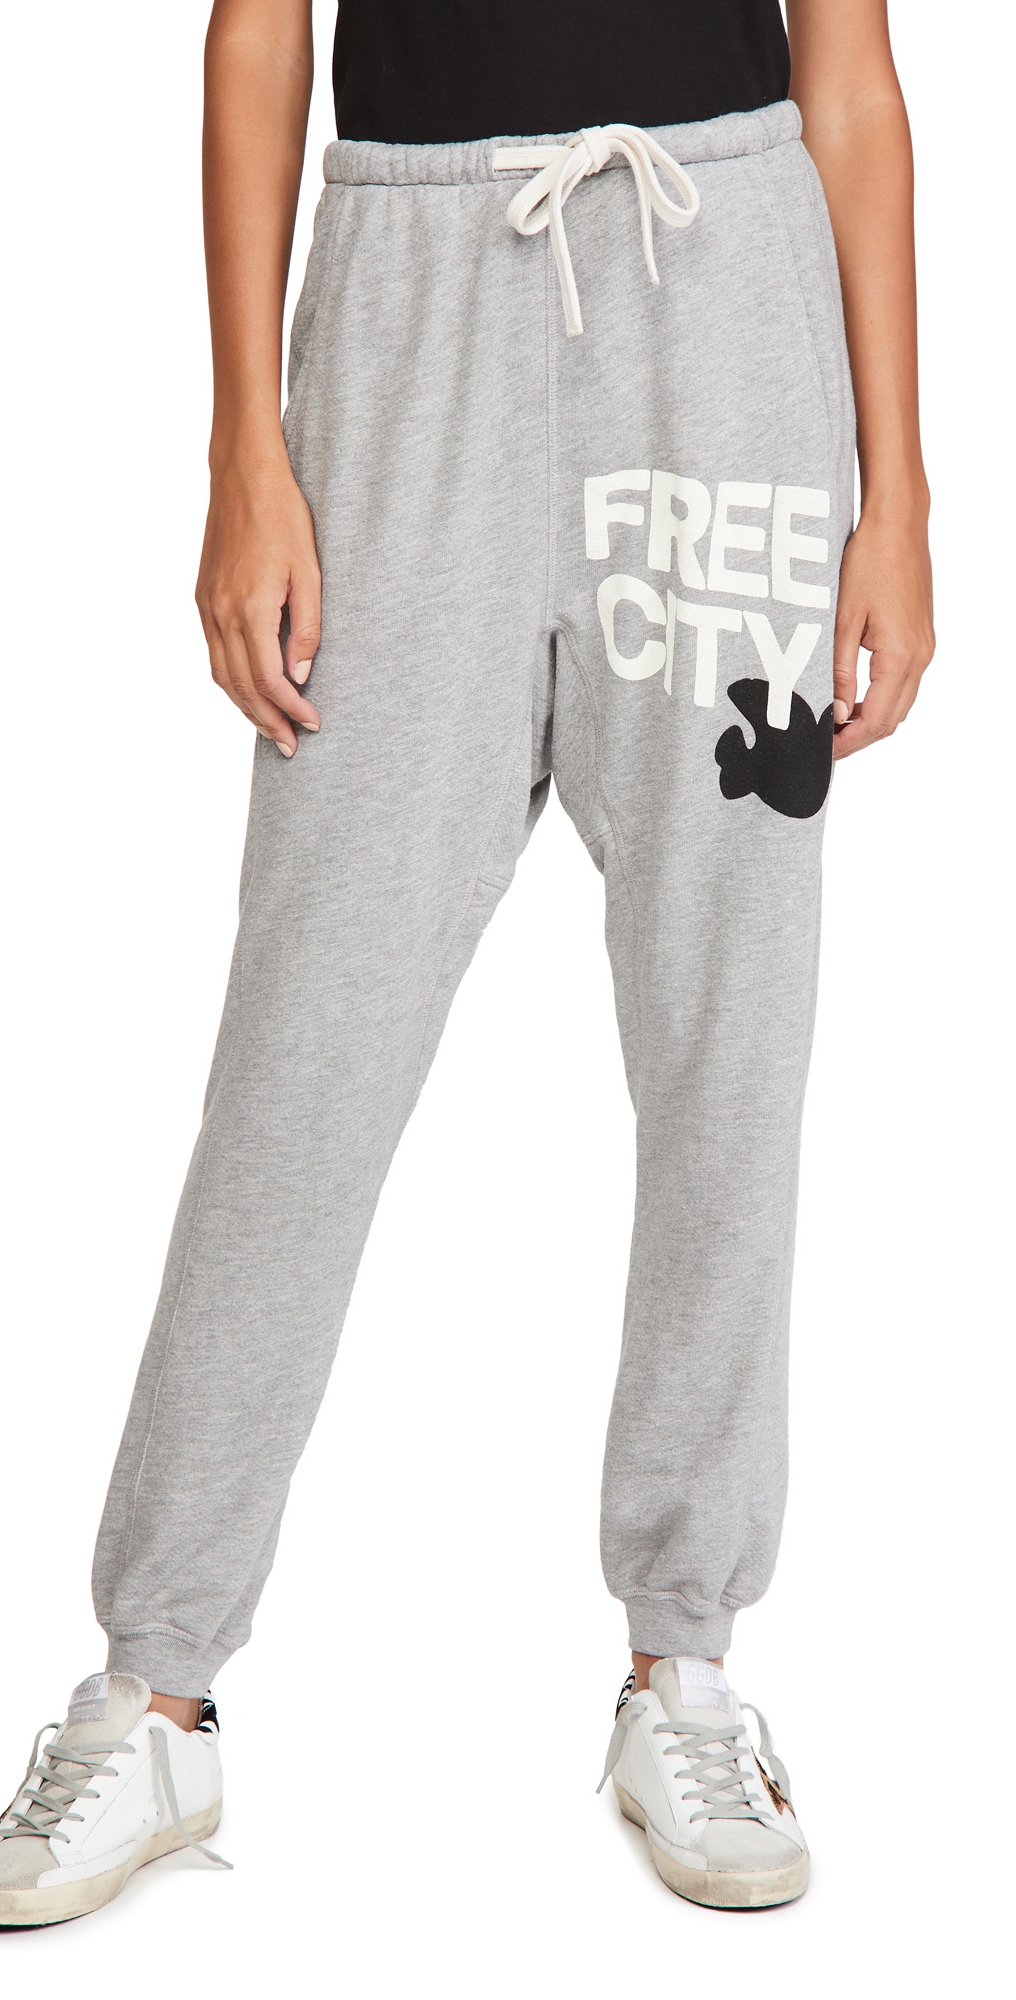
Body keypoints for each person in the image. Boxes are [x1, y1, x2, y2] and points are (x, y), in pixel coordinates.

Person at [0, 0, 933, 1924]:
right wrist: (245, 445)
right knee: (308, 1045)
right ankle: (157, 1686)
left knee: (727, 1032)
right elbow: (258, 34)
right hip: (409, 300)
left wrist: (899, 491)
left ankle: (686, 1663)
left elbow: (850, 69)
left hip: (725, 308)